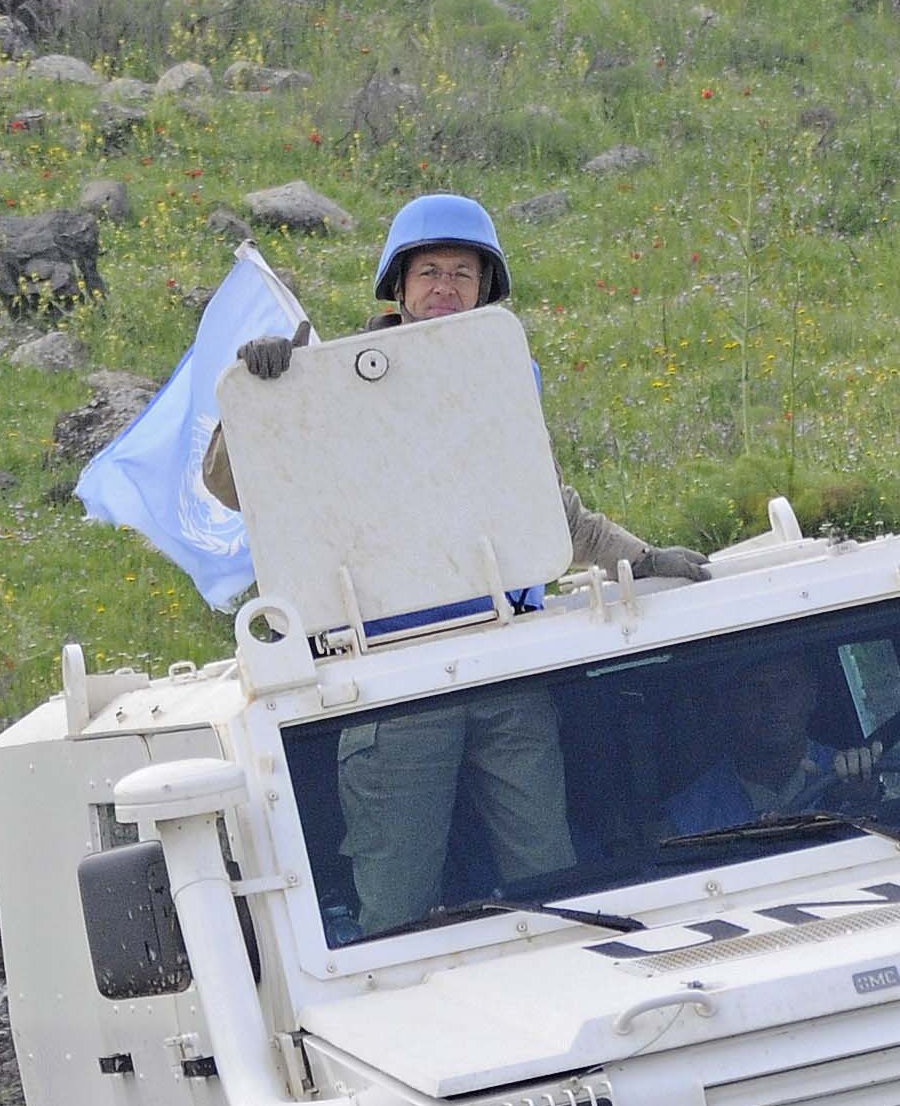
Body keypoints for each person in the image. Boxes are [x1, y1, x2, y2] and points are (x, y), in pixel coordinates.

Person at [206, 193, 706, 939]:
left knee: (553, 881)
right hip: (392, 675)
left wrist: (641, 559)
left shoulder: (496, 368)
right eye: (430, 272)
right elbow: (232, 485)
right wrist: (262, 394)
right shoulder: (331, 377)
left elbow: (544, 508)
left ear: (485, 288)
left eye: (462, 273)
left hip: (507, 662)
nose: (445, 286)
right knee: (397, 902)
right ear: (399, 287)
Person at [659, 652, 886, 837]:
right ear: (730, 705)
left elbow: (893, 842)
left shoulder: (853, 773)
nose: (773, 703)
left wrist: (866, 799)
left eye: (787, 686)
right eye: (755, 689)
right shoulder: (691, 813)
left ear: (811, 695)